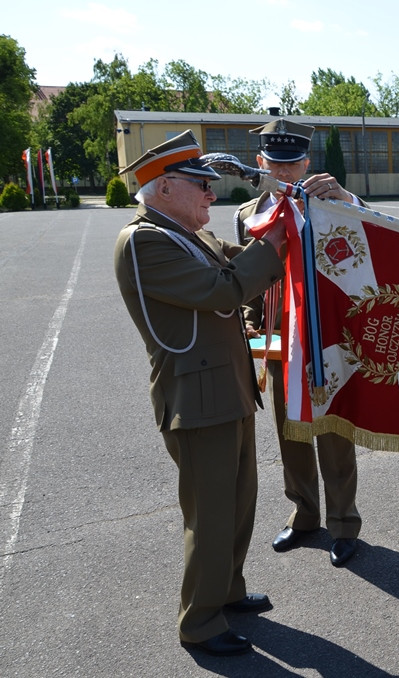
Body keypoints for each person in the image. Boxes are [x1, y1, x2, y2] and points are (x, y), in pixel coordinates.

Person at [113, 130, 288, 656]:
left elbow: (241, 260)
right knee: (210, 514)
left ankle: (226, 589)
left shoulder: (187, 233)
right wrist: (273, 246)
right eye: (201, 186)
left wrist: (284, 216)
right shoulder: (144, 241)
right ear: (165, 188)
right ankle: (201, 621)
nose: (212, 195)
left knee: (238, 504)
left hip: (229, 389)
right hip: (196, 401)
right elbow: (223, 287)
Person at [233, 119, 363, 572]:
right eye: (276, 164)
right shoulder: (248, 214)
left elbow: (373, 233)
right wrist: (252, 332)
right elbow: (243, 283)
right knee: (291, 435)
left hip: (327, 340)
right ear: (261, 163)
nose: (285, 175)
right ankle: (305, 514)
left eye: (294, 164)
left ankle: (344, 524)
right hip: (279, 339)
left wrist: (346, 198)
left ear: (307, 162)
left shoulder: (330, 205)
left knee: (333, 433)